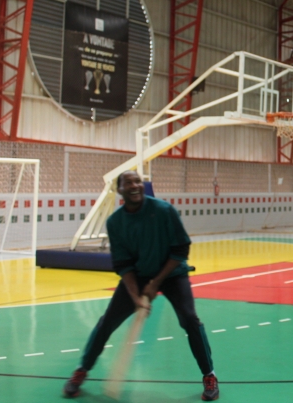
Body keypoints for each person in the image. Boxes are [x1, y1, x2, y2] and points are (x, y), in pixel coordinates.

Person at [63, 171, 219, 401]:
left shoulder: (164, 211)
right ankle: (81, 370)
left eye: (138, 181)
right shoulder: (115, 222)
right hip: (138, 276)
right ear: (120, 190)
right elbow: (123, 264)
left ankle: (209, 375)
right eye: (129, 183)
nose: (135, 185)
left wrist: (155, 283)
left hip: (172, 273)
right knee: (107, 322)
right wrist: (136, 297)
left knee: (189, 319)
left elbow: (181, 250)